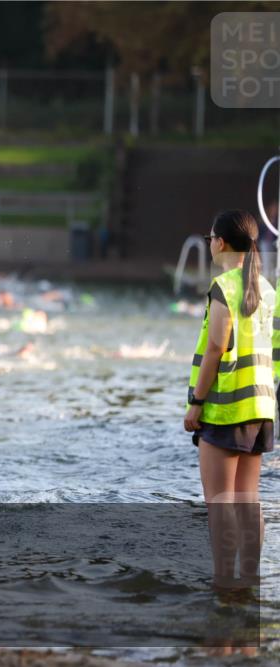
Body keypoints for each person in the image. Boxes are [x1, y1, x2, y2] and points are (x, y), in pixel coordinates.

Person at [183, 210, 274, 590]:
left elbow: (217, 346)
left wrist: (196, 402)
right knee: (247, 501)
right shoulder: (268, 289)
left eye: (209, 238)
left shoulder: (225, 287)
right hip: (260, 408)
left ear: (219, 242)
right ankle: (249, 580)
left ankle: (223, 581)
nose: (209, 244)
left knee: (219, 503)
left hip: (223, 409)